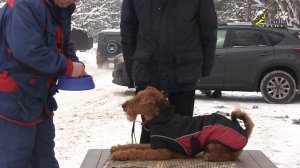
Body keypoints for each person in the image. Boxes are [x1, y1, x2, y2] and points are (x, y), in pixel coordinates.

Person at [0, 0, 85, 167]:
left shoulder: (62, 8)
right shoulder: (23, 6)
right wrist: (67, 67)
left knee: (44, 158)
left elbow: (64, 44)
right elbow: (28, 51)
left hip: (40, 100)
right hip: (14, 102)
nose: (75, 1)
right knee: (15, 159)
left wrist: (75, 63)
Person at [120, 0, 218, 143]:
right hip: (147, 72)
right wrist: (131, 70)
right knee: (150, 137)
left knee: (182, 137)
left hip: (183, 72)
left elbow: (208, 29)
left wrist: (205, 67)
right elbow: (128, 31)